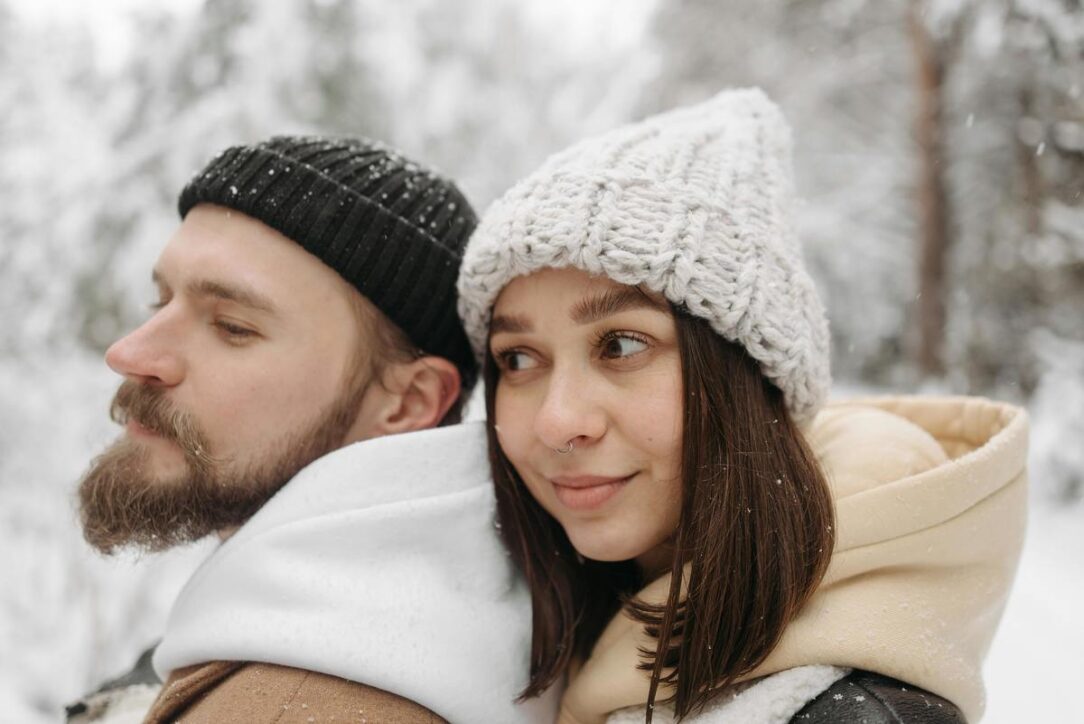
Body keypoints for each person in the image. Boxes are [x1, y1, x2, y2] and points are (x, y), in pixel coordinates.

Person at [456, 89, 1028, 723]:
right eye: (518, 359)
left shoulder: (847, 712)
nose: (558, 422)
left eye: (620, 345)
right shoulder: (539, 614)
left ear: (749, 377)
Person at [68, 136, 558, 724]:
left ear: (408, 401)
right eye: (161, 301)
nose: (129, 353)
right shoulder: (316, 636)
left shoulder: (301, 701)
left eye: (231, 326)